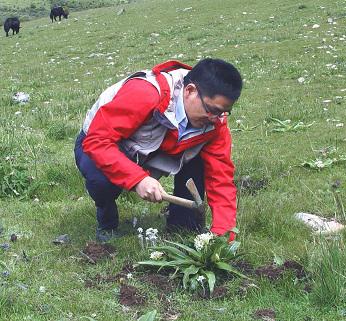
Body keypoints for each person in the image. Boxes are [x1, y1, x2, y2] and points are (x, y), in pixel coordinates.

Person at [74, 58, 243, 242]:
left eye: (223, 112)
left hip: (162, 146)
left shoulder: (215, 123)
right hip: (104, 141)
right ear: (190, 91)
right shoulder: (145, 93)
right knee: (101, 179)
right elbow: (98, 141)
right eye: (212, 110)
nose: (215, 118)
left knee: (200, 158)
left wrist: (225, 236)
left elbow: (221, 179)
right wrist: (138, 179)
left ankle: (183, 226)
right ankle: (107, 221)